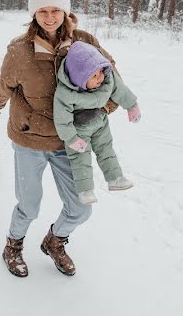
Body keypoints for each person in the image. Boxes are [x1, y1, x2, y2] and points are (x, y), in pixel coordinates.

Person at [0, 0, 118, 278]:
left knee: (81, 207)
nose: (49, 17)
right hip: (29, 140)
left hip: (67, 142)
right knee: (29, 205)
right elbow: (4, 85)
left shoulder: (84, 43)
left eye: (55, 10)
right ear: (34, 13)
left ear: (65, 11)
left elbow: (114, 81)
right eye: (42, 11)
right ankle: (13, 245)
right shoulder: (20, 50)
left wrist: (101, 111)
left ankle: (55, 240)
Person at [54, 41, 141, 205]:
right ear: (79, 78)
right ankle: (85, 190)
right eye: (94, 76)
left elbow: (120, 90)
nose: (100, 77)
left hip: (100, 121)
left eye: (101, 72)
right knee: (80, 158)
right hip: (78, 129)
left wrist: (132, 106)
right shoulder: (65, 94)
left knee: (106, 148)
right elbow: (62, 120)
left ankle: (115, 179)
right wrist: (72, 139)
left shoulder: (107, 81)